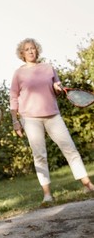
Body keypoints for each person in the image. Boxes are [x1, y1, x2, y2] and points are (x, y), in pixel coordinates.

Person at [9, 37, 94, 205]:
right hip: (30, 118)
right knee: (39, 155)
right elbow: (13, 97)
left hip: (53, 115)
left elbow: (56, 86)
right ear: (22, 53)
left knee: (70, 149)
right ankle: (47, 194)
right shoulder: (19, 73)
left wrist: (58, 88)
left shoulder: (48, 68)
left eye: (33, 48)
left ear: (37, 50)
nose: (31, 51)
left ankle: (88, 185)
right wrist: (15, 121)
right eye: (27, 49)